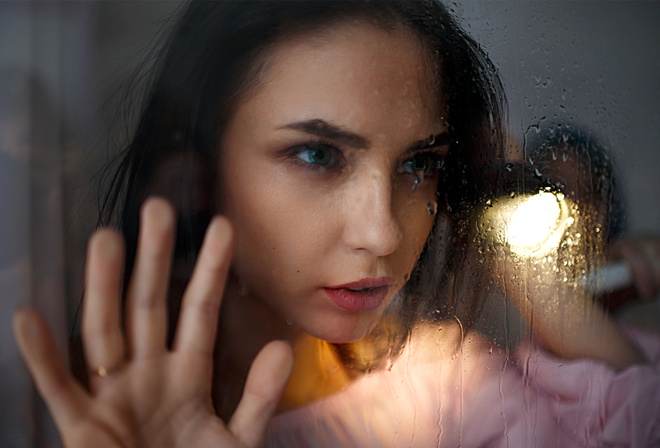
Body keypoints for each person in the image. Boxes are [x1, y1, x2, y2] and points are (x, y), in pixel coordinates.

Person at [11, 1, 660, 446]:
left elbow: (635, 421)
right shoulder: (69, 401)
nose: (382, 234)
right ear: (200, 174)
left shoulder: (438, 390)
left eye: (419, 164)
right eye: (317, 155)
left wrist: (498, 231)